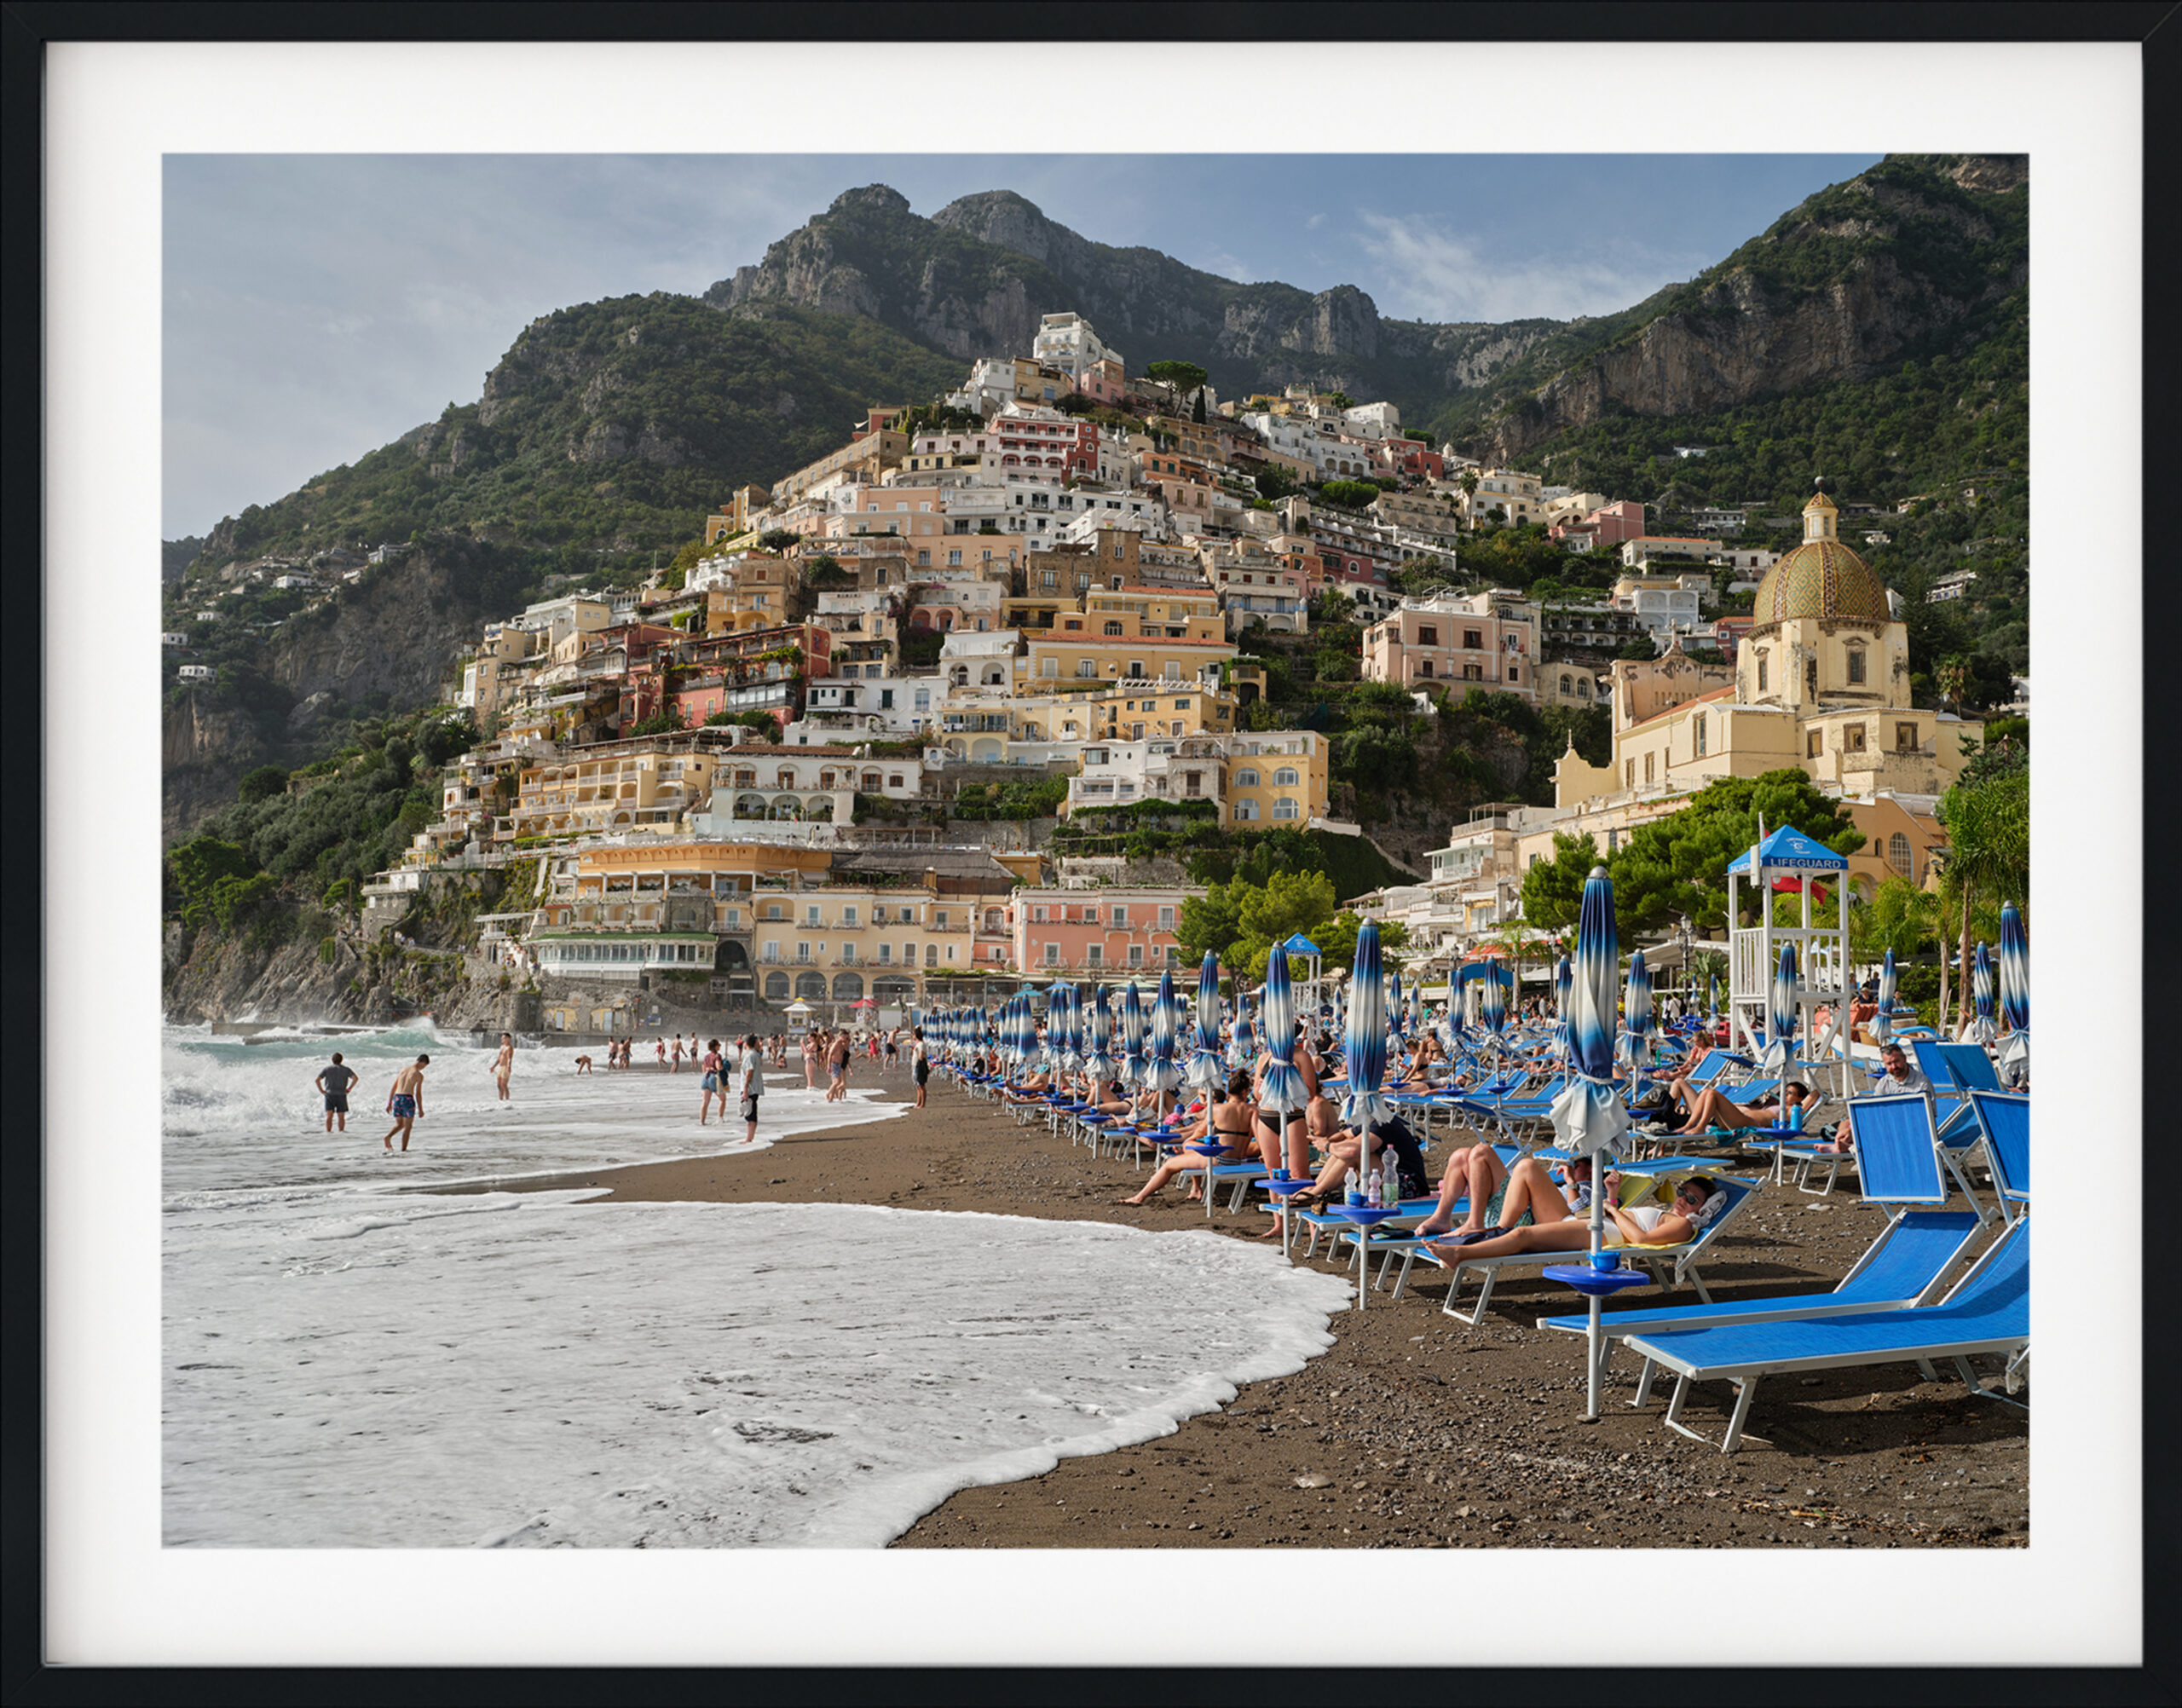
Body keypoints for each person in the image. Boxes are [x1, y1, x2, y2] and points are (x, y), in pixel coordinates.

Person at [1425, 1168, 1724, 1261]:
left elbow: (1642, 1238)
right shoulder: (1666, 1213)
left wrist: (1610, 1210)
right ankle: (1497, 1231)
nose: (1682, 1199)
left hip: (1602, 1234)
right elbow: (1632, 1223)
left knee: (1523, 1235)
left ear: (1704, 1208)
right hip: (1590, 1223)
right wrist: (1611, 1197)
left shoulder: (1684, 1226)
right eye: (1682, 1191)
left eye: (1691, 1198)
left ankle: (1459, 1255)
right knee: (1527, 1168)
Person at [1117, 1071, 1257, 1206]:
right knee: (1189, 1149)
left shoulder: (1217, 1109)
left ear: (1228, 1092)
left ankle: (1139, 1197)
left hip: (1219, 1159)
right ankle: (1196, 1189)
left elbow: (1199, 1131)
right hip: (1239, 1159)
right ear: (1245, 1092)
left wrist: (1189, 1142)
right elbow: (1258, 1137)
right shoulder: (1253, 1111)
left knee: (1170, 1164)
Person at [1669, 1078, 1811, 1137]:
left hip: (1748, 1123)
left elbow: (1815, 1094)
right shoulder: (1775, 1103)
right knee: (1706, 1092)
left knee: (1712, 1093)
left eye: (1790, 1093)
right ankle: (1689, 1125)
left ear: (1800, 1098)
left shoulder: (1791, 1111)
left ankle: (1699, 1126)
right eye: (1785, 1091)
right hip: (1732, 1118)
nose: (1785, 1094)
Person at [381, 1054, 429, 1152]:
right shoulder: (419, 1075)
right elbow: (418, 1094)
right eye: (424, 1066)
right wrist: (421, 1109)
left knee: (399, 1125)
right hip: (407, 1099)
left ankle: (388, 1137)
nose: (423, 1068)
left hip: (397, 1098)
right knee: (408, 1127)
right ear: (423, 1063)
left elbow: (394, 1087)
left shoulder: (403, 1070)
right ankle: (404, 1150)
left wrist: (389, 1103)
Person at [315, 1052, 356, 1134]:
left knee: (329, 1115)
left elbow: (317, 1080)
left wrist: (322, 1091)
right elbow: (355, 1078)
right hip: (341, 1094)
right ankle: (341, 1132)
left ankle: (328, 1132)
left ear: (332, 1060)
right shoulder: (346, 1069)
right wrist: (349, 1088)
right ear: (341, 1060)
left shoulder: (327, 1069)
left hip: (330, 1094)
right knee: (341, 1116)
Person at [738, 1033, 764, 1144]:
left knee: (749, 1113)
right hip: (755, 1087)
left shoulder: (750, 1056)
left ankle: (749, 1139)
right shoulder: (755, 1054)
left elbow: (749, 1073)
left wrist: (745, 1089)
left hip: (751, 1088)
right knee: (751, 1112)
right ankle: (750, 1137)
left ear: (746, 1044)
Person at [698, 1037, 724, 1125]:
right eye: (719, 1045)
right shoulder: (717, 1056)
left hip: (705, 1077)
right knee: (722, 1099)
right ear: (715, 1047)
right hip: (713, 1077)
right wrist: (723, 1067)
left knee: (705, 1102)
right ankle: (720, 1119)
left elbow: (703, 1068)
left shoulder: (706, 1056)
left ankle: (702, 1121)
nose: (720, 1046)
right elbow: (718, 1067)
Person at [826, 1029, 851, 1102]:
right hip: (834, 1064)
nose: (846, 1039)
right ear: (841, 1036)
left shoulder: (841, 1044)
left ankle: (832, 1097)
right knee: (836, 1082)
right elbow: (830, 1054)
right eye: (845, 1037)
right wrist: (829, 1066)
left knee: (837, 1082)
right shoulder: (837, 1044)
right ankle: (828, 1095)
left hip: (838, 1065)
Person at [491, 1032, 515, 1101]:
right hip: (500, 1067)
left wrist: (509, 1067)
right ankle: (500, 1100)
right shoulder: (502, 1047)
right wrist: (494, 1067)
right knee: (499, 1085)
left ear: (508, 1039)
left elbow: (510, 1058)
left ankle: (507, 1100)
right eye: (502, 1038)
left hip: (505, 1067)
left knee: (504, 1085)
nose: (502, 1039)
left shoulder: (509, 1048)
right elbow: (499, 1058)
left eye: (503, 1038)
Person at [909, 1027, 930, 1109]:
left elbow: (921, 1055)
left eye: (913, 1034)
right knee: (917, 1086)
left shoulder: (921, 1044)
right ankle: (918, 1103)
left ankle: (922, 1104)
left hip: (919, 1066)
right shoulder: (918, 1044)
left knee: (921, 1085)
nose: (912, 1036)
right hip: (915, 1065)